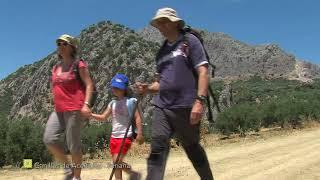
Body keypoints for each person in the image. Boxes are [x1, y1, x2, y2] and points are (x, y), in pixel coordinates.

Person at [135, 7, 214, 180]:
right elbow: (160, 83)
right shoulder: (161, 53)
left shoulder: (189, 41)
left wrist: (200, 101)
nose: (159, 26)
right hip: (162, 106)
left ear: (174, 23)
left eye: (163, 22)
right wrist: (147, 88)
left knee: (192, 147)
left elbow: (203, 71)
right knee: (158, 145)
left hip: (185, 106)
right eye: (157, 23)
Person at [43, 34, 94, 180]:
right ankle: (68, 168)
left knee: (73, 146)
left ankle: (76, 177)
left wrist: (86, 104)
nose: (60, 45)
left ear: (72, 47)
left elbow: (89, 84)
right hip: (58, 110)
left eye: (64, 43)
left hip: (75, 109)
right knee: (49, 139)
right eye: (58, 43)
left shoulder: (79, 65)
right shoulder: (55, 67)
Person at [91, 73, 144, 180]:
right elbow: (103, 117)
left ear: (124, 89)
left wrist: (139, 133)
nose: (115, 89)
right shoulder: (112, 103)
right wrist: (90, 115)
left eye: (118, 87)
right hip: (114, 137)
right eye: (114, 87)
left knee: (116, 161)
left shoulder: (130, 102)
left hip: (126, 136)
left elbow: (138, 117)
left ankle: (133, 173)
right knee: (116, 164)